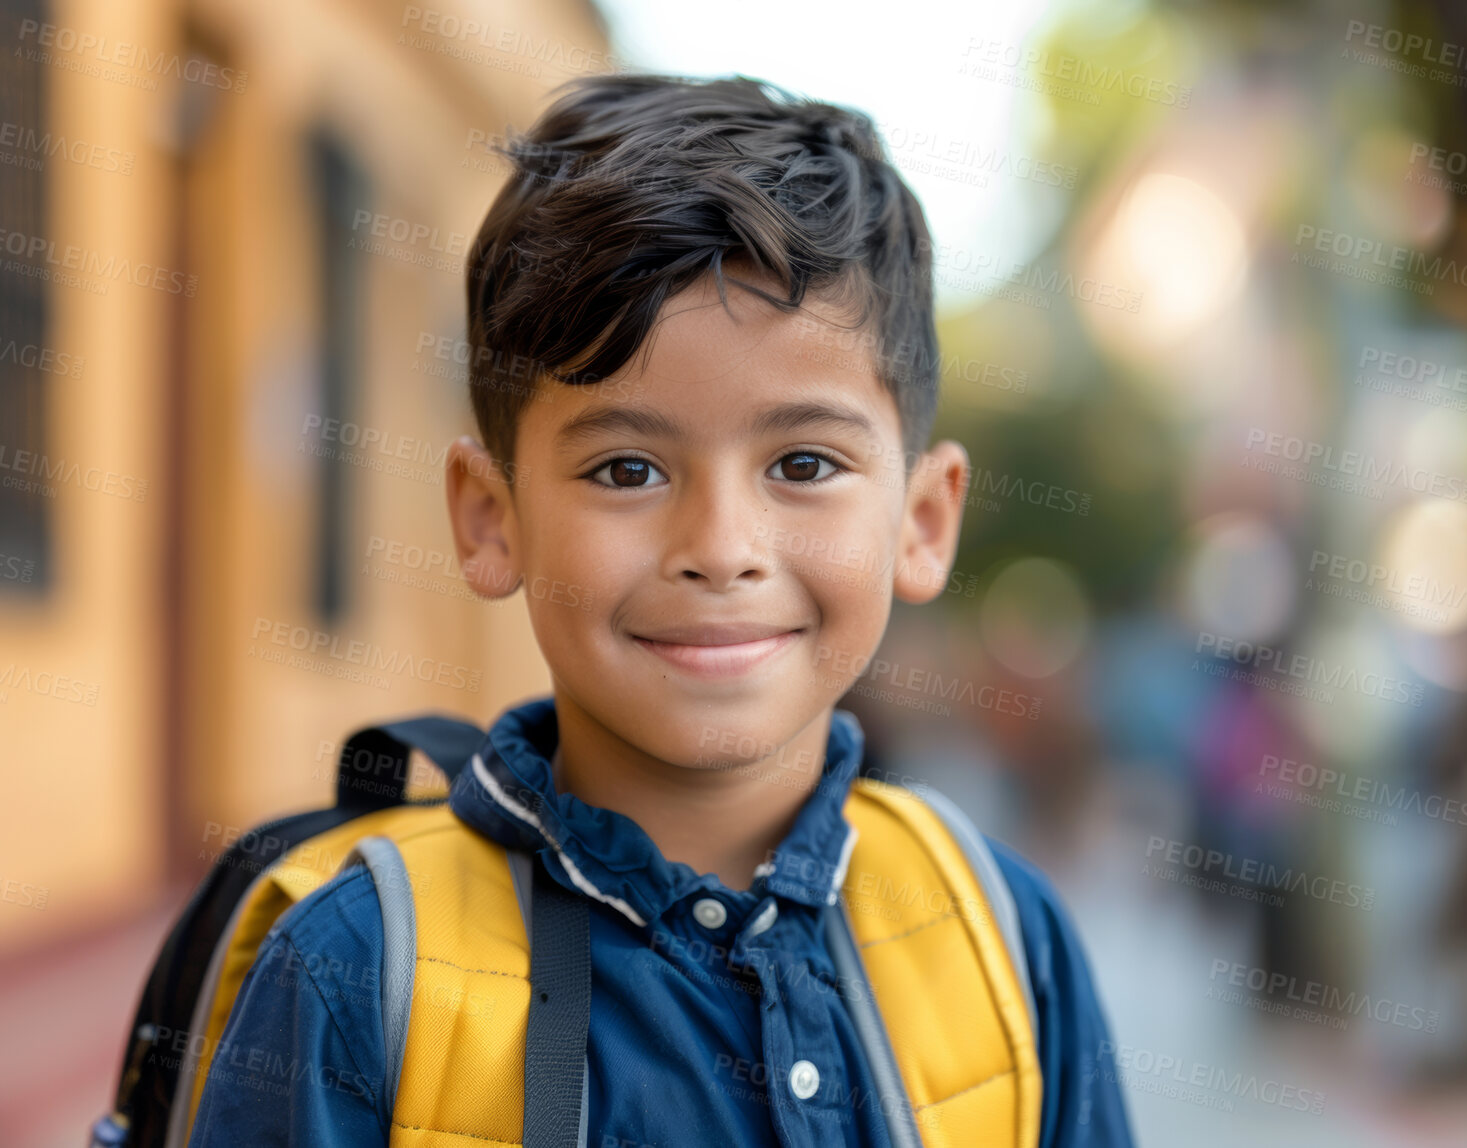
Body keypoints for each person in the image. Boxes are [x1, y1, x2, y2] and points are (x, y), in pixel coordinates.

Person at [188, 72, 1133, 1147]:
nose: (720, 549)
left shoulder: (1003, 941)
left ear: (919, 520)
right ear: (491, 519)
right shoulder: (359, 974)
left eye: (804, 461)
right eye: (628, 469)